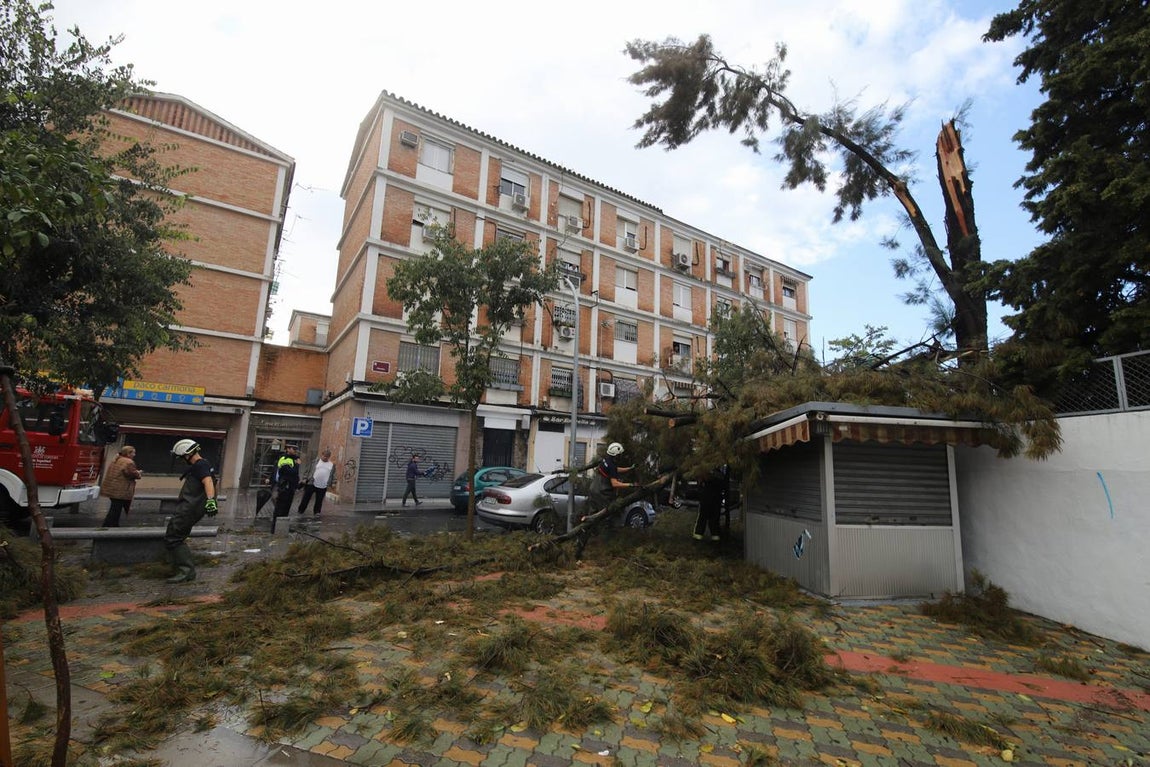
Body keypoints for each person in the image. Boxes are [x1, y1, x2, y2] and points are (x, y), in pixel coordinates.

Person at [165, 438, 218, 583]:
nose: (182, 461)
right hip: (190, 507)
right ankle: (176, 567)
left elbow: (208, 481)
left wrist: (211, 500)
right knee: (174, 535)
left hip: (189, 508)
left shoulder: (200, 465)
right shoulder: (204, 464)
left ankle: (186, 571)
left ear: (187, 454)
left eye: (182, 457)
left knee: (174, 537)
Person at [587, 442, 636, 521]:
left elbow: (614, 470)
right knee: (606, 516)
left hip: (593, 489)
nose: (621, 456)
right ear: (616, 455)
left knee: (593, 515)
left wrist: (629, 469)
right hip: (602, 493)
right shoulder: (611, 465)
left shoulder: (606, 460)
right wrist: (630, 485)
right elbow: (615, 484)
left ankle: (589, 527)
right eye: (620, 454)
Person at [99, 445, 142, 527]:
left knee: (115, 507)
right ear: (128, 453)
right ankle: (108, 525)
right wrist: (138, 473)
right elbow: (131, 474)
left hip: (112, 487)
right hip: (121, 488)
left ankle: (113, 524)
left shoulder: (116, 459)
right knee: (116, 509)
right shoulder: (128, 462)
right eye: (133, 453)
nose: (134, 455)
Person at [297, 449, 334, 515]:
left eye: (327, 456)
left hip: (323, 485)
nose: (325, 457)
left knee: (319, 500)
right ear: (322, 455)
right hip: (312, 482)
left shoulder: (331, 465)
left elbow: (333, 475)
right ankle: (301, 510)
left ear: (329, 457)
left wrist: (332, 483)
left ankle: (317, 512)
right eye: (324, 456)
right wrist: (305, 478)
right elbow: (308, 470)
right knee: (306, 498)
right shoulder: (315, 462)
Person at [693, 468, 725, 542]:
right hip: (716, 500)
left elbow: (700, 484)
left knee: (702, 518)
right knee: (714, 520)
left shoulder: (706, 474)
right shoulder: (719, 475)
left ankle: (698, 537)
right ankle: (715, 538)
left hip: (706, 500)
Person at [272, 444, 300, 518]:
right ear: (288, 449)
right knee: (281, 505)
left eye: (296, 449)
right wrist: (297, 465)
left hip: (291, 487)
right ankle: (277, 520)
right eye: (293, 448)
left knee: (287, 506)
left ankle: (283, 519)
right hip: (285, 486)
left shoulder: (293, 459)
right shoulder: (284, 459)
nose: (295, 451)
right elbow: (291, 472)